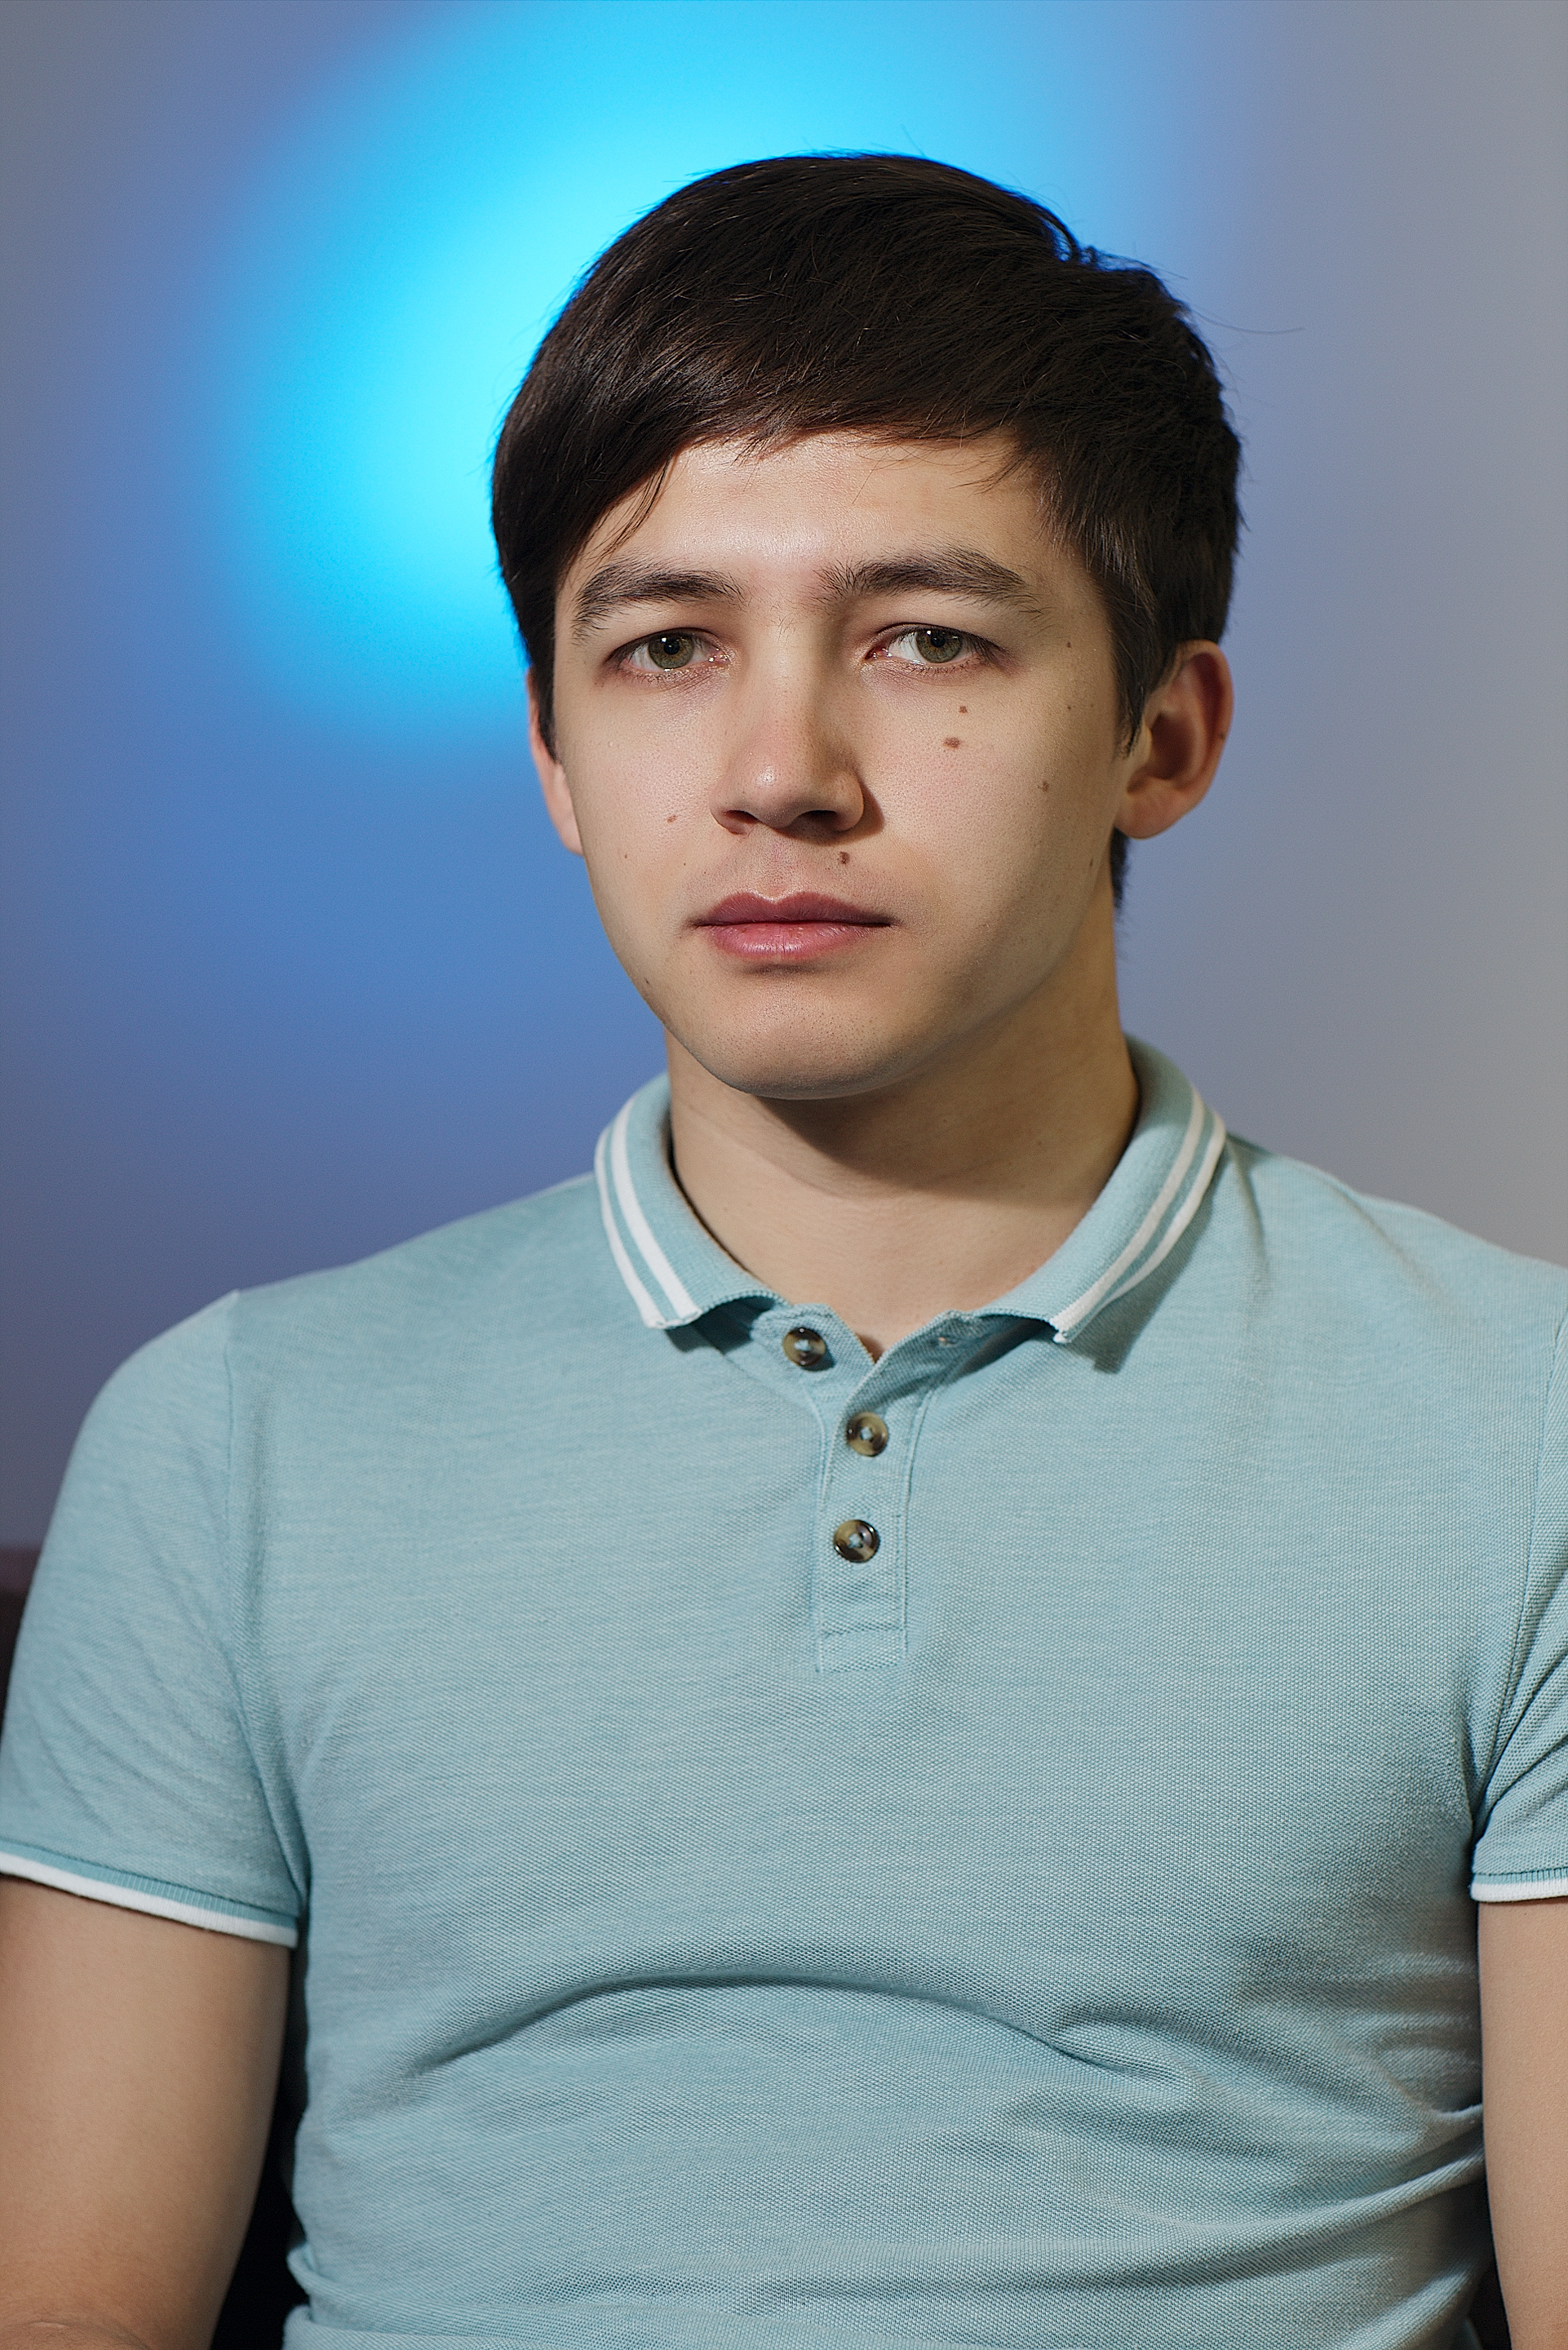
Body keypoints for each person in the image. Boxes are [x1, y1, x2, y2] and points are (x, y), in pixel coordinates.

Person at [0, 154, 1562, 2350]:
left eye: (927, 638)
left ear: (1163, 736)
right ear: (554, 750)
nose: (778, 771)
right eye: (666, 648)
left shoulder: (1521, 1435)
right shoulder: (233, 1440)